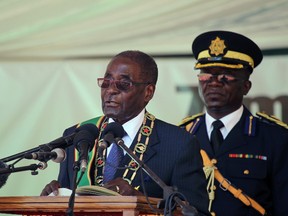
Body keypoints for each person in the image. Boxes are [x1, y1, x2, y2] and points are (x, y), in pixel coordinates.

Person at [40, 50, 210, 215]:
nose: (111, 90)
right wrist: (53, 199)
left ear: (148, 92)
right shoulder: (79, 136)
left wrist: (141, 201)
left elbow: (196, 213)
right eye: (106, 82)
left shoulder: (178, 144)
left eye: (123, 84)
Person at [179, 30, 288, 216]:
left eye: (225, 76)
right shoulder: (181, 136)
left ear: (246, 86)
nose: (214, 83)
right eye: (206, 75)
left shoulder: (275, 138)